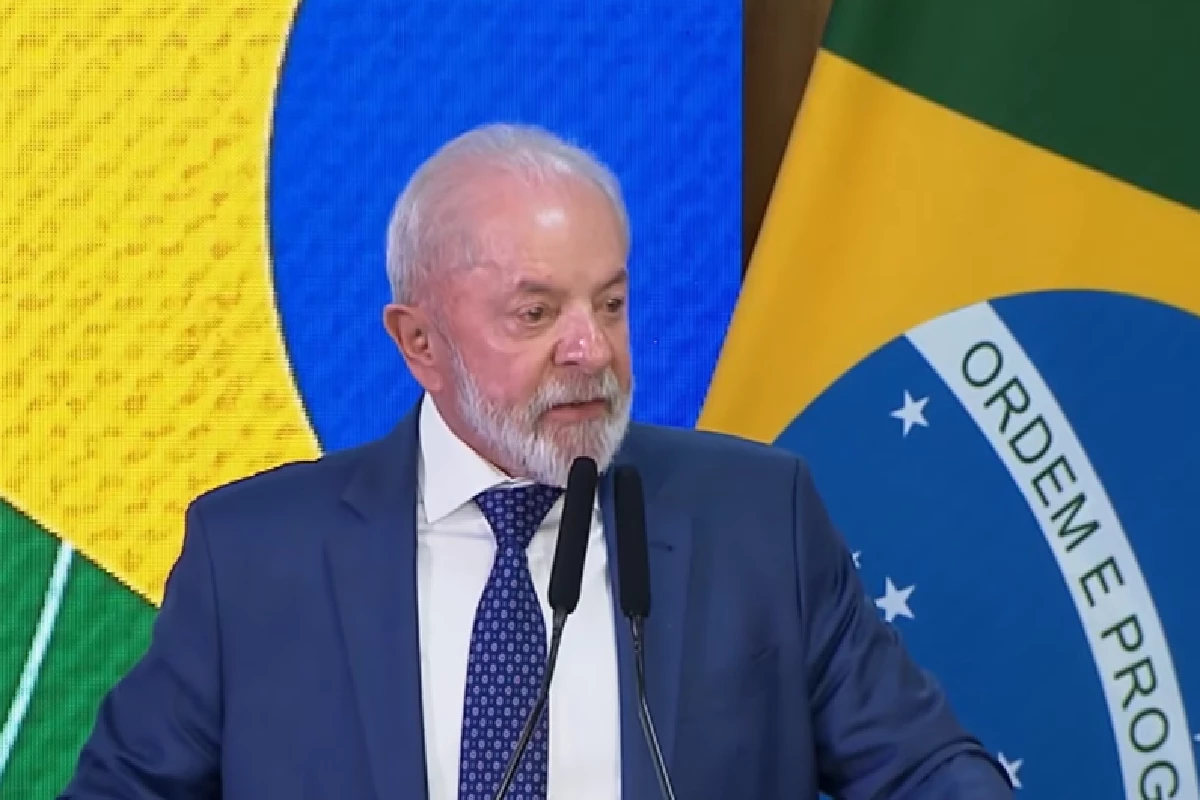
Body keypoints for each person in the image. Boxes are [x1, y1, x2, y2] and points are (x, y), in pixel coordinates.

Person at [59, 123, 1014, 799]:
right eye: (535, 312)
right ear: (420, 342)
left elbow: (926, 771)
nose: (590, 350)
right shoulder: (254, 558)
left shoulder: (758, 520)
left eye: (610, 304)